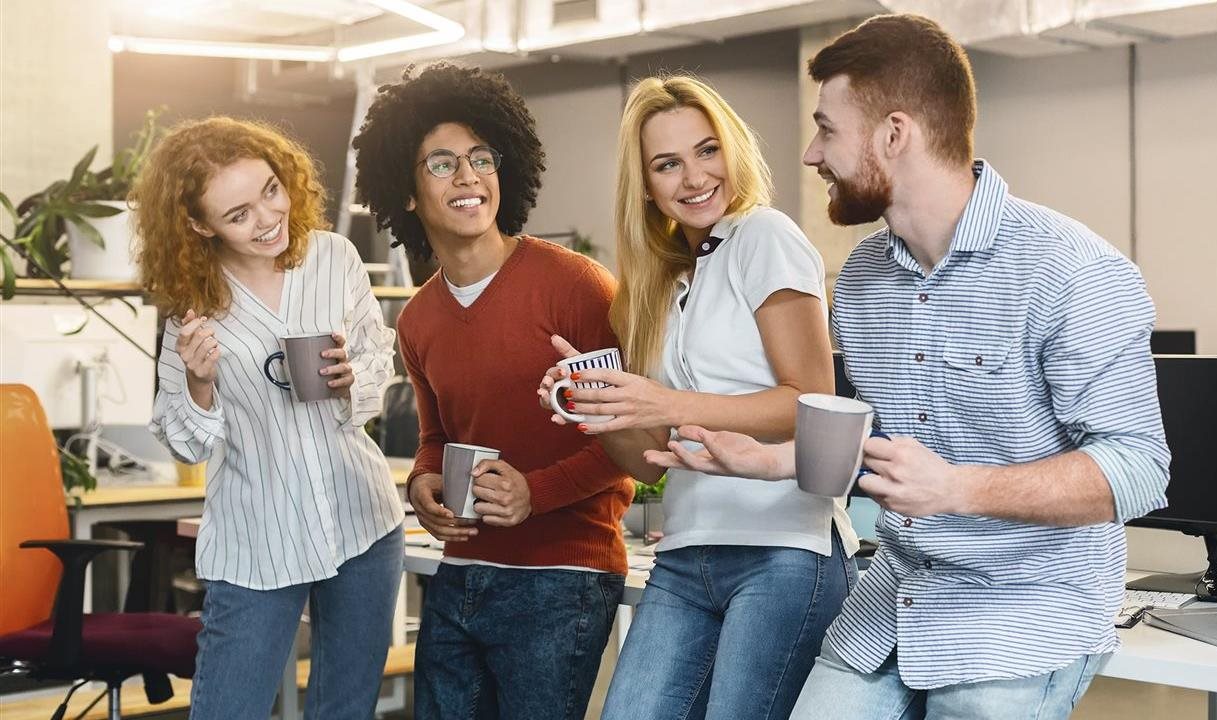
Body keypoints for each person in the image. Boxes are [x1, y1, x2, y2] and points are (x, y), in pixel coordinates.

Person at [646, 14, 1172, 720]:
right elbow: (882, 451)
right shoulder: (864, 279)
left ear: (894, 135)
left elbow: (1138, 468)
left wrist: (958, 488)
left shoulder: (1070, 271)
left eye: (827, 130)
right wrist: (769, 462)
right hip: (895, 596)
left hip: (1020, 610)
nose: (810, 154)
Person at [538, 75, 858, 720]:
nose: (693, 177)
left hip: (784, 550)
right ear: (646, 184)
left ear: (732, 151)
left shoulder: (763, 235)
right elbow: (650, 461)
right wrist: (601, 409)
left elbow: (813, 404)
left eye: (707, 151)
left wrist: (667, 403)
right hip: (685, 553)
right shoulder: (662, 283)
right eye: (668, 164)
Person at [352, 63, 631, 720]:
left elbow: (630, 442)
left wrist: (537, 492)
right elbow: (436, 437)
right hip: (460, 572)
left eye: (481, 158)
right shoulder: (418, 320)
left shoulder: (578, 287)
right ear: (408, 193)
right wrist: (423, 483)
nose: (468, 176)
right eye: (442, 163)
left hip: (564, 575)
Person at [133, 117, 403, 719]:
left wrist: (353, 378)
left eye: (271, 191)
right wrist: (200, 383)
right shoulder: (194, 306)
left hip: (361, 517)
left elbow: (376, 358)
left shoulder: (333, 257)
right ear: (199, 225)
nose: (267, 219)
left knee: (345, 711)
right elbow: (186, 444)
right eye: (238, 215)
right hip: (257, 538)